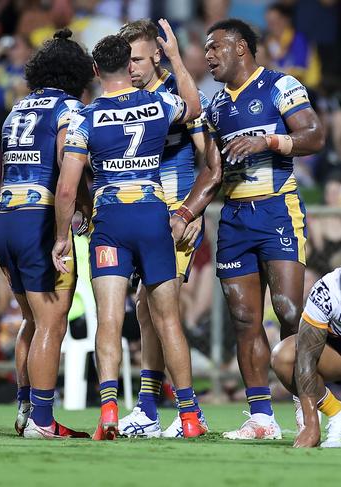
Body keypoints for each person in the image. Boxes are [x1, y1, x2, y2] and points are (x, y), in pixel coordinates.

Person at [171, 18, 325, 440]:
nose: (208, 56)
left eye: (215, 47)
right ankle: (261, 417)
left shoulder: (281, 85)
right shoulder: (217, 107)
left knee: (291, 311)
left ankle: (304, 405)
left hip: (277, 210)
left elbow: (314, 135)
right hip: (236, 218)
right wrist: (184, 214)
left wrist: (267, 142)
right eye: (205, 50)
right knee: (243, 319)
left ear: (240, 47)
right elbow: (212, 172)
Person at [53, 21, 206, 441]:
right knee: (168, 320)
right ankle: (190, 416)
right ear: (128, 65)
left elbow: (67, 188)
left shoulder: (85, 117)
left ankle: (107, 412)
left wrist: (63, 237)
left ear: (96, 71)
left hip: (111, 222)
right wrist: (174, 56)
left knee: (109, 321)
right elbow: (193, 106)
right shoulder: (158, 105)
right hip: (153, 215)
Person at [0, 28, 94, 439]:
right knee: (53, 322)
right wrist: (63, 234)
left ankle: (24, 407)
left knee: (31, 320)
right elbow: (66, 183)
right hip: (39, 220)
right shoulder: (71, 111)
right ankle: (43, 420)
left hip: (4, 216)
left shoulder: (19, 107)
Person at [116, 19, 210, 439]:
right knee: (145, 309)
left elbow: (211, 159)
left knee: (161, 308)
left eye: (136, 58)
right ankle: (148, 409)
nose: (130, 66)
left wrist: (195, 211)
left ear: (156, 54)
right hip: (144, 214)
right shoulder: (126, 95)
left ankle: (186, 410)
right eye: (125, 59)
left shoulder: (178, 93)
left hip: (175, 215)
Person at [271, 267, 341, 448]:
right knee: (285, 357)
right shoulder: (326, 290)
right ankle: (337, 413)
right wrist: (311, 424)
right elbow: (306, 354)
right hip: (336, 355)